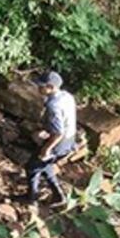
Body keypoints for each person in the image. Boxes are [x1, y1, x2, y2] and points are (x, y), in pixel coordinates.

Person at [22, 71, 76, 207]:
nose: (38, 88)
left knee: (32, 167)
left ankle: (31, 197)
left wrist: (46, 149)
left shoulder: (54, 105)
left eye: (41, 86)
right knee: (45, 165)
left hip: (59, 142)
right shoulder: (67, 96)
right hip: (70, 139)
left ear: (50, 87)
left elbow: (58, 132)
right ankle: (58, 195)